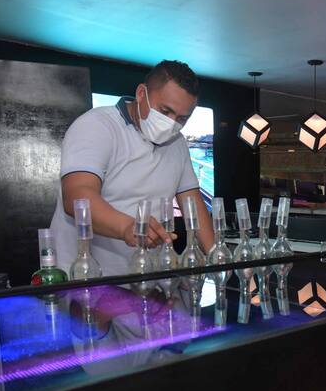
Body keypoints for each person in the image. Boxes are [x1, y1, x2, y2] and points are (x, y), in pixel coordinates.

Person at [49, 60, 214, 275]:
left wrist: (216, 255)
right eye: (165, 111)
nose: (172, 123)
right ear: (141, 94)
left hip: (144, 274)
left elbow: (192, 201)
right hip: (85, 275)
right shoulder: (97, 125)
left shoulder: (178, 143)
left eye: (182, 118)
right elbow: (78, 195)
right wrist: (127, 227)